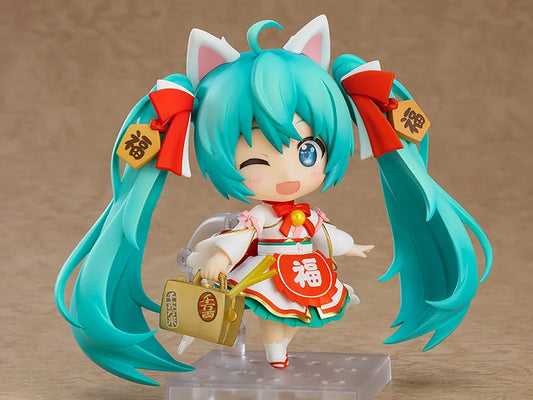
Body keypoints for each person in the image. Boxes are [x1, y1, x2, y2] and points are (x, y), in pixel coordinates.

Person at [55, 15, 492, 385]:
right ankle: (274, 354)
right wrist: (219, 258)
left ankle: (278, 350)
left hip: (303, 270)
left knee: (296, 318)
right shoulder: (258, 216)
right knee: (274, 318)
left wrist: (348, 246)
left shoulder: (307, 214)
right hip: (264, 272)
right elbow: (239, 236)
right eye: (255, 160)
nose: (287, 176)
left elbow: (323, 233)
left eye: (308, 152)